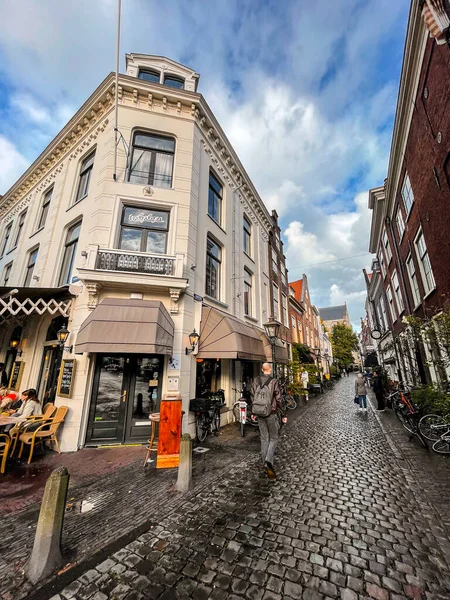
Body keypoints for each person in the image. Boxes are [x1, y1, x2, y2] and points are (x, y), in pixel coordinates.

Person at [251, 363, 287, 480]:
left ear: (262, 370)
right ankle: (268, 461)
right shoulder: (274, 381)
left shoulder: (256, 380)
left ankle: (265, 464)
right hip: (271, 413)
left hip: (260, 414)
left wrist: (254, 412)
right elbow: (279, 398)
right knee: (274, 438)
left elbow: (252, 396)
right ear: (270, 370)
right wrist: (284, 414)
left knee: (264, 439)